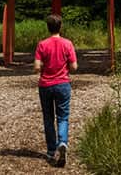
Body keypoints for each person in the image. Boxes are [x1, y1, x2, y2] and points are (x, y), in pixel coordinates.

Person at [34, 13, 77, 167]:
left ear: (48, 27)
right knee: (63, 117)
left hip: (45, 85)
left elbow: (37, 67)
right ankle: (63, 142)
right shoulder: (68, 44)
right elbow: (74, 66)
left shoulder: (42, 44)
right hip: (63, 84)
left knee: (48, 118)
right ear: (61, 27)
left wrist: (47, 66)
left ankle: (51, 150)